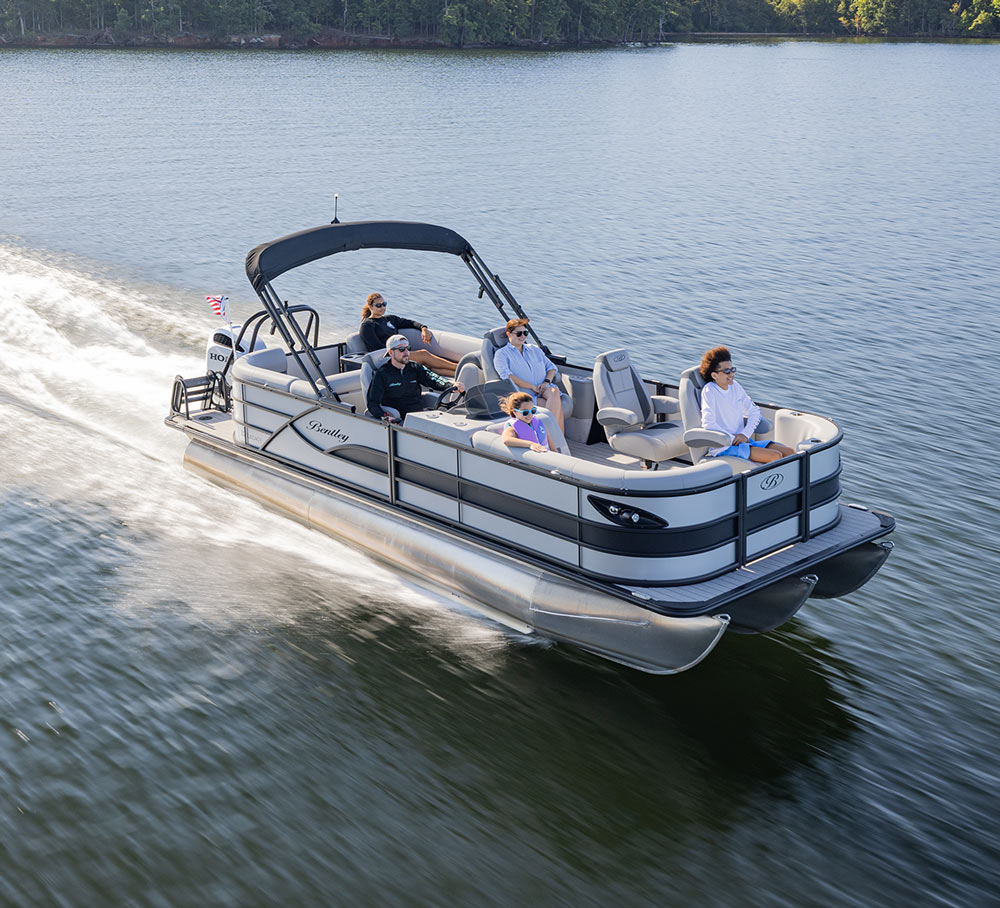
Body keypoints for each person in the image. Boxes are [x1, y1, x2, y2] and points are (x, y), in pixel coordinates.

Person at [699, 346, 795, 463]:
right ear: (714, 375)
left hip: (742, 442)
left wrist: (744, 435)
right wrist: (732, 438)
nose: (731, 374)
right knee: (775, 456)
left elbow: (755, 411)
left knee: (790, 453)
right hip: (724, 446)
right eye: (727, 371)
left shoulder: (735, 386)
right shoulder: (709, 391)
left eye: (732, 369)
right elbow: (708, 424)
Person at [366, 335, 465, 423]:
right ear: (391, 352)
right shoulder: (382, 374)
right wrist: (386, 417)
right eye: (401, 349)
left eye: (408, 348)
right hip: (399, 421)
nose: (406, 352)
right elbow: (372, 403)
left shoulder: (415, 367)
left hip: (419, 416)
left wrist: (451, 386)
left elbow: (434, 379)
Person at [360, 292, 458, 377]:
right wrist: (400, 350)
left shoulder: (390, 319)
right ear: (371, 307)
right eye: (378, 305)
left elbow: (410, 323)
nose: (382, 307)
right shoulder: (368, 325)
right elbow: (377, 347)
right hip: (384, 358)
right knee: (423, 354)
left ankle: (458, 374)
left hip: (399, 352)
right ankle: (457, 367)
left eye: (384, 304)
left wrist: (423, 328)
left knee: (427, 366)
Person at [493, 318, 565, 431]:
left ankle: (549, 435)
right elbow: (508, 376)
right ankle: (554, 437)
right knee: (557, 406)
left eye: (525, 333)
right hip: (526, 395)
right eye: (519, 333)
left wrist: (546, 382)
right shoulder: (501, 354)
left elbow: (552, 368)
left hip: (544, 389)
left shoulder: (534, 349)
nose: (523, 336)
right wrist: (532, 387)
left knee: (554, 391)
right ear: (508, 334)